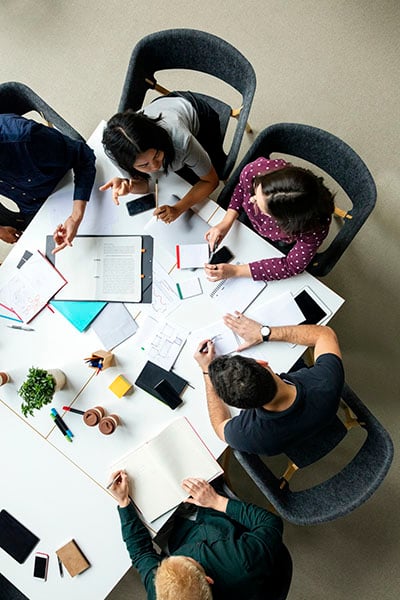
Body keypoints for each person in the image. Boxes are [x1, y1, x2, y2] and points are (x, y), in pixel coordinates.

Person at [110, 470, 284, 600]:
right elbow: (270, 523)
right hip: (217, 517)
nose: (188, 553)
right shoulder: (244, 562)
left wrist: (124, 502)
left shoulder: (159, 592)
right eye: (185, 558)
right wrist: (217, 501)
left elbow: (141, 554)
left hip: (176, 531)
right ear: (208, 580)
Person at [194, 317, 344, 455]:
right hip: (324, 411)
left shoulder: (248, 435)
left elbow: (219, 426)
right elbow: (325, 334)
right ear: (262, 363)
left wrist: (207, 372)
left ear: (244, 407)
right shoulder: (326, 382)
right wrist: (264, 332)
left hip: (286, 442)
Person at [204, 157, 335, 282]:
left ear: (284, 221)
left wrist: (236, 271)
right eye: (255, 192)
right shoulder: (256, 171)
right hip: (251, 228)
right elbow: (242, 188)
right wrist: (226, 222)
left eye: (262, 209)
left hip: (276, 241)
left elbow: (291, 266)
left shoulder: (314, 227)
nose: (251, 199)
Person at [100, 93, 222, 223]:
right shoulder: (117, 153)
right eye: (143, 165)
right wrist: (130, 187)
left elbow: (211, 181)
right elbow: (145, 185)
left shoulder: (182, 141)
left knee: (213, 168)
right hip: (163, 107)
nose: (155, 167)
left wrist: (178, 208)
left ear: (159, 142)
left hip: (198, 115)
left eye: (157, 155)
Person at [0, 113, 96, 252]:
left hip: (68, 187)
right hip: (34, 209)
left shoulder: (24, 138)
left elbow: (83, 157)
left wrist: (75, 217)